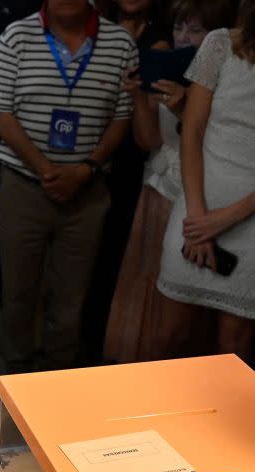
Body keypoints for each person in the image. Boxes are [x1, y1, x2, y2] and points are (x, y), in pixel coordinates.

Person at [0, 0, 137, 374]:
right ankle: (16, 378)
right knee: (19, 292)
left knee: (71, 297)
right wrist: (46, 170)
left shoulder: (120, 43)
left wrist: (85, 169)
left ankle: (56, 380)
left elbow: (122, 116)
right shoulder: (16, 36)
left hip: (88, 191)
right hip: (23, 185)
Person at [105, 0, 236, 363]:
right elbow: (148, 141)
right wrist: (138, 97)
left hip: (199, 199)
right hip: (156, 191)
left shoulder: (227, 81)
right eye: (179, 27)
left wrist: (184, 109)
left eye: (195, 30)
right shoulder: (164, 68)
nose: (184, 37)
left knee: (184, 318)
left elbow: (223, 149)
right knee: (146, 288)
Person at [155, 0, 255, 363]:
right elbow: (192, 132)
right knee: (169, 338)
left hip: (249, 223)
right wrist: (199, 218)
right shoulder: (220, 44)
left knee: (235, 349)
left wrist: (223, 219)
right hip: (196, 206)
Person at [79, 0, 171, 365]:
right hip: (91, 151)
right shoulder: (91, 28)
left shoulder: (163, 37)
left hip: (136, 161)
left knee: (116, 256)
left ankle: (103, 352)